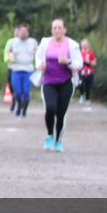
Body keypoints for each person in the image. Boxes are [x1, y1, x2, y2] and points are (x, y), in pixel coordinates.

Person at [33, 18, 82, 152]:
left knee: (61, 114)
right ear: (52, 30)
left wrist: (68, 61)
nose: (57, 30)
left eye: (60, 27)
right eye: (54, 28)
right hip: (48, 82)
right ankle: (49, 135)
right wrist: (40, 65)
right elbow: (38, 58)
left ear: (64, 30)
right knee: (50, 108)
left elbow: (79, 63)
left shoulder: (72, 45)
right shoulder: (45, 42)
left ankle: (58, 141)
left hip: (66, 83)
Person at [7, 23, 38, 117]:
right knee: (17, 92)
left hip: (28, 70)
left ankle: (24, 110)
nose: (23, 33)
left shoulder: (32, 42)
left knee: (26, 92)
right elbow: (9, 53)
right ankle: (19, 105)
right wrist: (11, 57)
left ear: (28, 33)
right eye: (21, 31)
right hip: (16, 69)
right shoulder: (13, 42)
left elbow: (38, 53)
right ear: (18, 32)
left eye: (25, 31)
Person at [3, 26, 19, 114]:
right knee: (11, 85)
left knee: (18, 86)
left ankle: (18, 102)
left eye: (18, 32)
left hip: (20, 68)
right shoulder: (10, 42)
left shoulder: (23, 43)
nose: (16, 33)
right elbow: (6, 52)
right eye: (15, 32)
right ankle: (13, 99)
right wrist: (8, 59)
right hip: (11, 67)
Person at [79, 38, 97, 107]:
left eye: (85, 45)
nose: (84, 46)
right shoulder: (79, 53)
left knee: (88, 86)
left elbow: (94, 63)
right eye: (83, 45)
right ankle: (81, 95)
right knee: (80, 84)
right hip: (81, 71)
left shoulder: (91, 53)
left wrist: (89, 62)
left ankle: (87, 99)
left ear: (88, 45)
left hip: (89, 72)